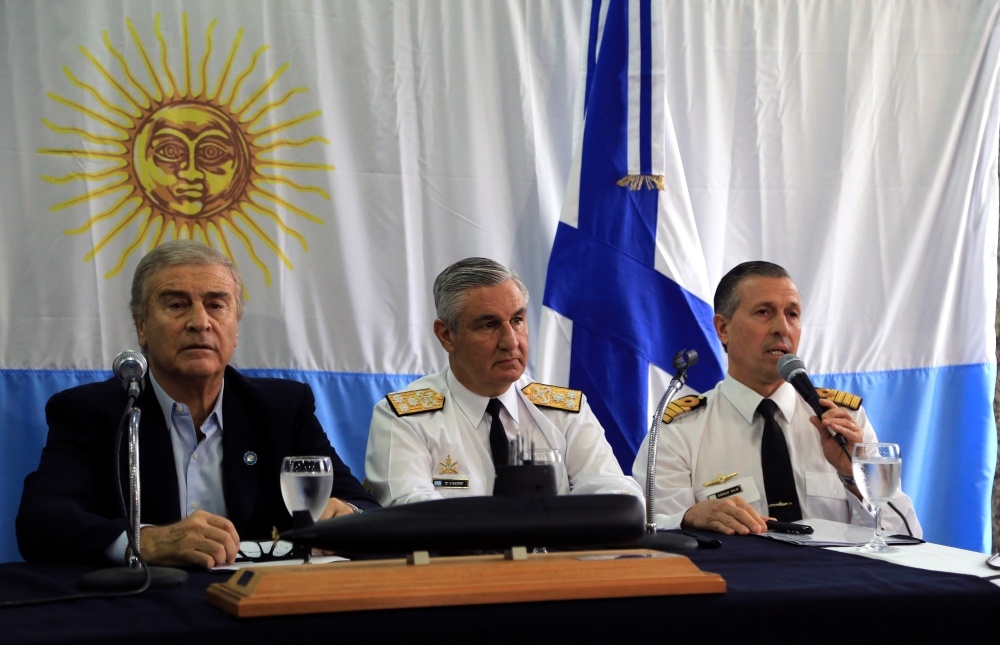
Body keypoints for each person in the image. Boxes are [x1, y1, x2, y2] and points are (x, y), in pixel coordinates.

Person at [16, 240, 377, 567]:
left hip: (260, 602)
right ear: (141, 326)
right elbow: (43, 521)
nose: (200, 322)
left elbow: (364, 507)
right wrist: (143, 541)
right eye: (176, 304)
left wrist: (345, 513)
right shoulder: (93, 412)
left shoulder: (281, 407)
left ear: (235, 327)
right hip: (145, 608)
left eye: (216, 305)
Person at [632, 261, 921, 537]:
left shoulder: (841, 421)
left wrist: (856, 476)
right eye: (763, 312)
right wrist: (690, 518)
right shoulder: (678, 432)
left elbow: (905, 537)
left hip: (838, 584)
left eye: (792, 314)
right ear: (723, 329)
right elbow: (657, 540)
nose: (782, 328)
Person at [365, 257, 642, 505]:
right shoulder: (404, 418)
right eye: (488, 325)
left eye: (518, 320)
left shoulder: (564, 411)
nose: (511, 342)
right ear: (447, 335)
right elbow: (413, 513)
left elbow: (614, 495)